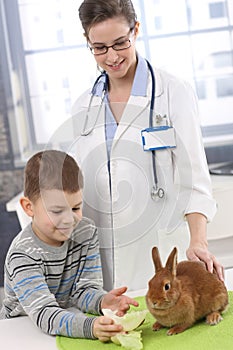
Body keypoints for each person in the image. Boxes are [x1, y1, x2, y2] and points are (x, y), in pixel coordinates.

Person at [70, 0, 224, 292]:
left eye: (120, 43)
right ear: (87, 42)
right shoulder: (83, 106)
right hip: (102, 265)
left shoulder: (173, 93)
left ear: (135, 30)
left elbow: (196, 182)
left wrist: (198, 242)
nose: (112, 56)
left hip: (162, 255)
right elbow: (80, 190)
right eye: (99, 47)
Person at [0, 150, 139, 341]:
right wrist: (89, 327)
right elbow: (44, 313)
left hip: (61, 322)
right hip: (19, 331)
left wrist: (102, 301)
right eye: (57, 211)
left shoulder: (86, 233)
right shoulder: (23, 255)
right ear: (29, 207)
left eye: (75, 208)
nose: (69, 220)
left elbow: (83, 291)